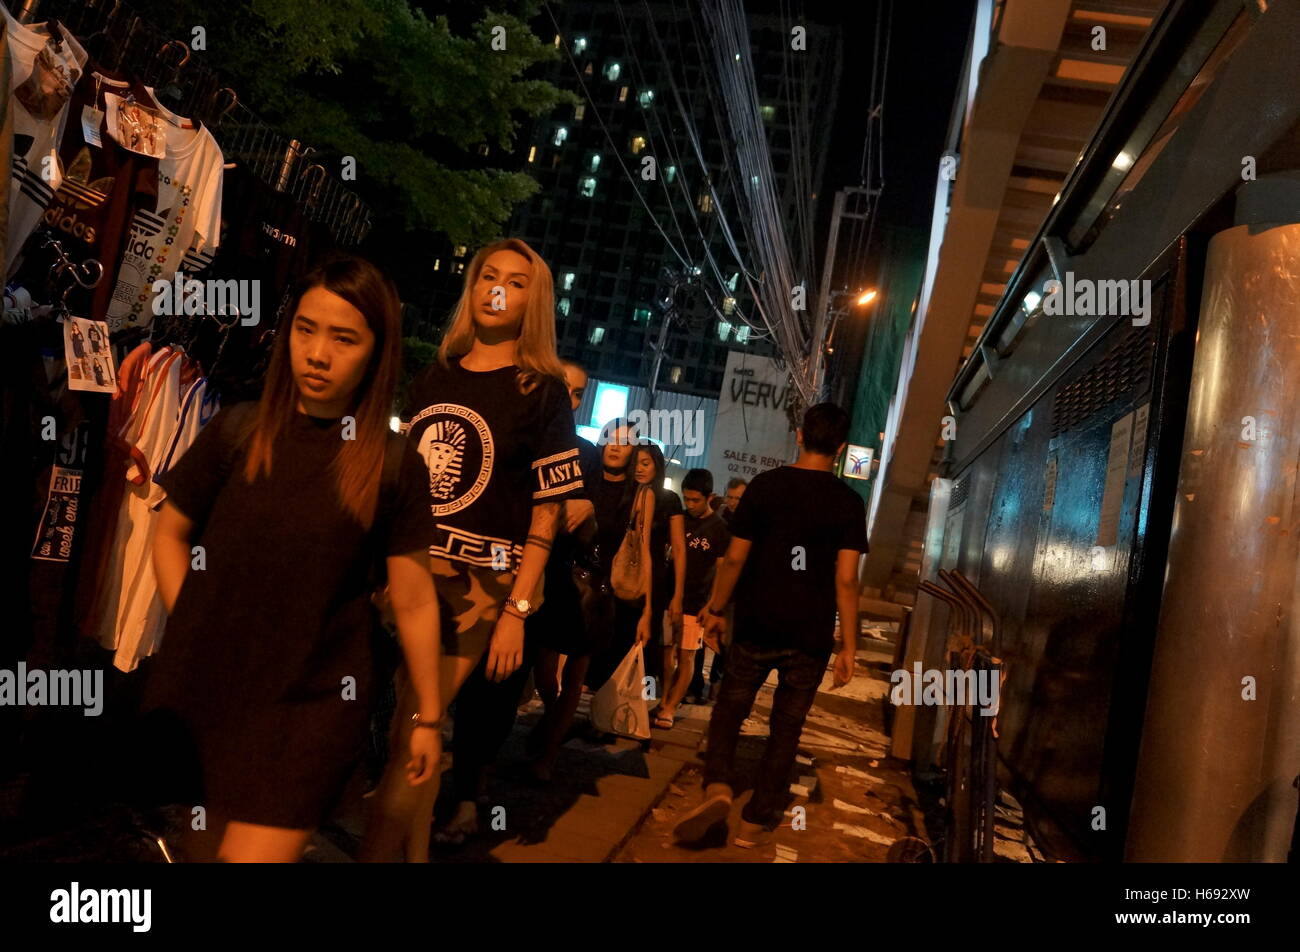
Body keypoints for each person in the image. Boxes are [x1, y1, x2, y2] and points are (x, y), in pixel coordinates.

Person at [145, 255, 442, 863]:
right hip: (213, 691)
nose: (317, 353)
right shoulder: (237, 431)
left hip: (315, 706)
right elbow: (169, 532)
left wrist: (430, 716)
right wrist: (192, 620)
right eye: (305, 329)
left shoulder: (391, 465)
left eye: (343, 338)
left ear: (375, 353)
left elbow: (412, 598)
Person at [360, 238, 583, 860]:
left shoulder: (541, 390)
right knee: (411, 728)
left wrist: (516, 610)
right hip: (408, 573)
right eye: (489, 276)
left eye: (515, 283)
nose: (498, 290)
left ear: (531, 302)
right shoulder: (437, 372)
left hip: (479, 589)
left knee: (415, 729)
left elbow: (549, 506)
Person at [673, 403, 868, 848]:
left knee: (730, 710)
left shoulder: (765, 487)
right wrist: (848, 646)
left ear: (799, 436)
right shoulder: (848, 503)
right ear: (840, 449)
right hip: (810, 635)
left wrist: (717, 607)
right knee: (786, 726)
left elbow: (737, 557)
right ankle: (756, 820)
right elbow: (846, 579)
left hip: (758, 623)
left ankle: (719, 787)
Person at [524, 358, 602, 782]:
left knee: (553, 673)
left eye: (576, 394)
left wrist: (585, 509)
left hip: (556, 580)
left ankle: (547, 745)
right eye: (563, 389)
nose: (569, 401)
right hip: (503, 572)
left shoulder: (585, 454)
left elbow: (583, 525)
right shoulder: (518, 433)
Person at [654, 468, 729, 728]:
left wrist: (712, 604)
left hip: (697, 601)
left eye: (695, 500)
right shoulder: (678, 520)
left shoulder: (719, 528)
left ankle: (671, 707)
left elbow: (721, 570)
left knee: (686, 657)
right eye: (687, 499)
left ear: (709, 498)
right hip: (669, 596)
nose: (690, 504)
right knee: (665, 655)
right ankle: (662, 699)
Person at [583, 420, 654, 693]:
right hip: (574, 583)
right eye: (611, 440)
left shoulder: (640, 496)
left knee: (596, 674)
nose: (616, 447)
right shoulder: (585, 482)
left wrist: (647, 611)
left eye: (625, 443)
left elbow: (645, 551)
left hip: (612, 595)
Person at [631, 441, 685, 701]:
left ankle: (648, 701)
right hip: (626, 576)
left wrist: (678, 595)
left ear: (657, 467)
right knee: (620, 642)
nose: (640, 469)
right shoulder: (627, 494)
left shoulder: (669, 499)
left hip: (656, 582)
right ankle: (612, 703)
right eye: (637, 463)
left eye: (646, 463)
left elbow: (679, 549)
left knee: (650, 648)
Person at [689, 475, 748, 701]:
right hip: (713, 585)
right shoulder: (719, 520)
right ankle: (696, 683)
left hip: (736, 589)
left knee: (727, 640)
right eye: (731, 497)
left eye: (738, 498)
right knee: (701, 636)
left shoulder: (750, 522)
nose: (733, 502)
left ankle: (717, 682)